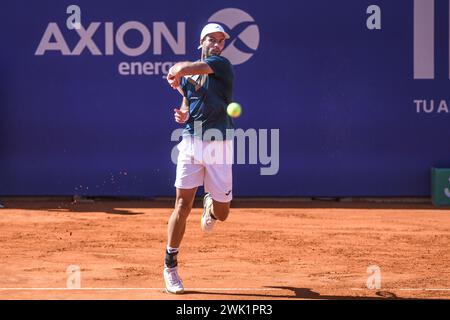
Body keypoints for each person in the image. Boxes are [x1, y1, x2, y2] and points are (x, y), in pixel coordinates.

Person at [163, 23, 235, 294]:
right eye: (211, 40)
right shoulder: (193, 75)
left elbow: (187, 69)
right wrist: (183, 112)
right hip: (191, 142)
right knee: (182, 204)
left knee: (223, 213)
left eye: (221, 41)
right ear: (200, 41)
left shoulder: (221, 65)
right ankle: (170, 265)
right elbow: (189, 102)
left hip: (220, 146)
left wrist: (177, 69)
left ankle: (211, 207)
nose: (217, 44)